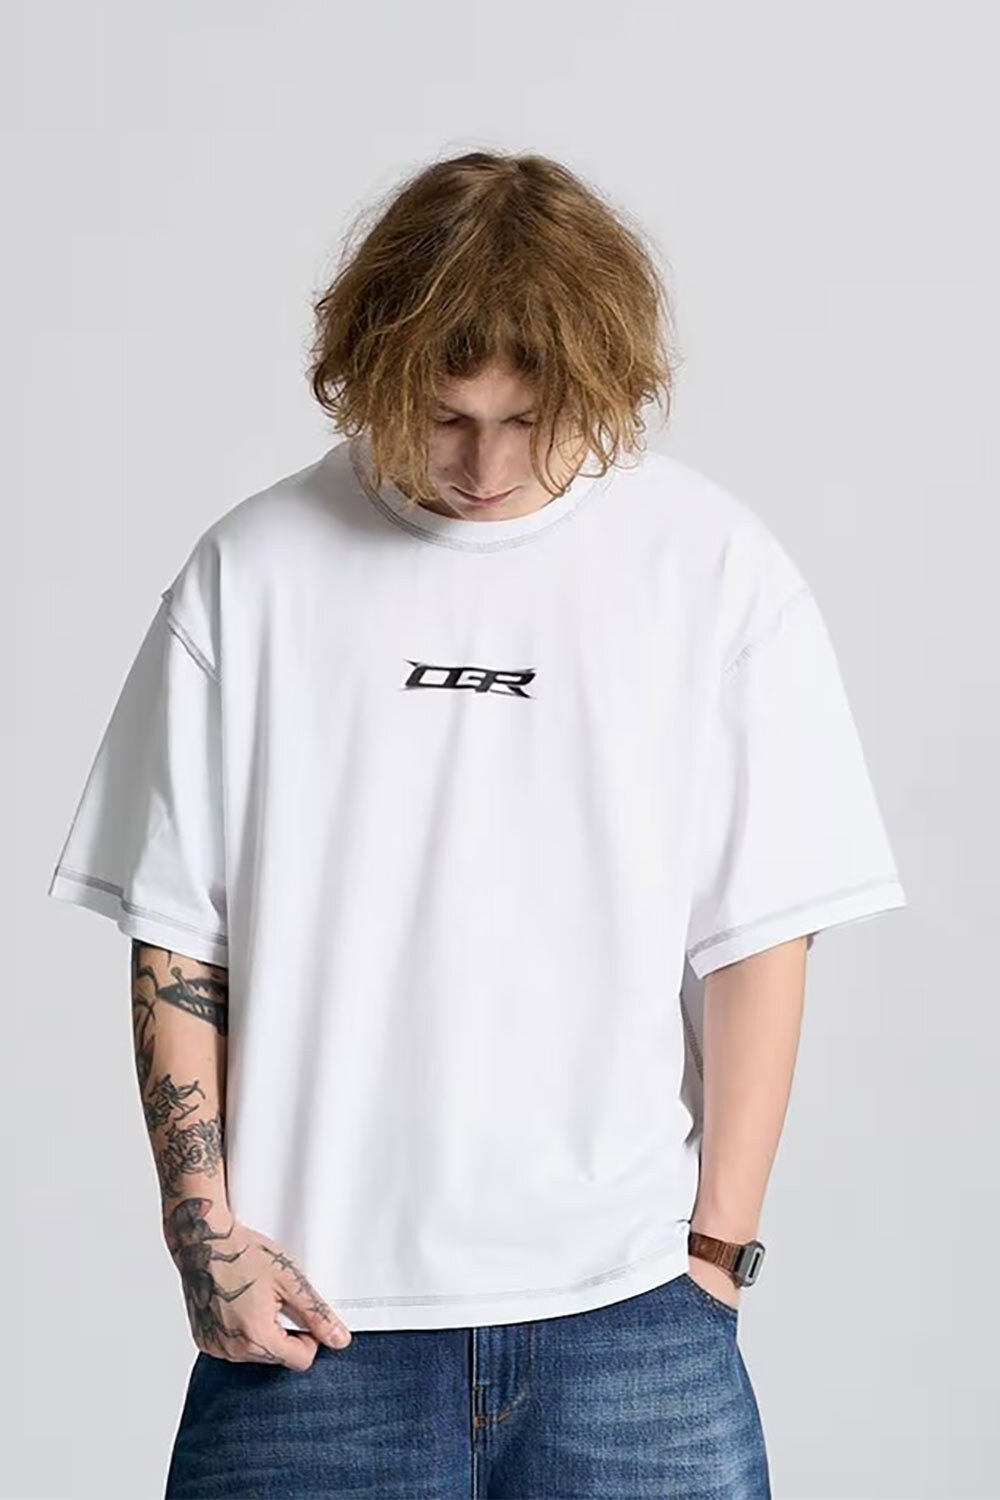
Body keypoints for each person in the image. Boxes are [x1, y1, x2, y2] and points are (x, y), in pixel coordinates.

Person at [46, 151, 907, 1500]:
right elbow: (177, 939)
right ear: (374, 374)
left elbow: (758, 937)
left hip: (631, 1322)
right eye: (446, 418)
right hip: (313, 1331)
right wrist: (201, 1237)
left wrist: (714, 1257)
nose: (487, 466)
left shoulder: (712, 570)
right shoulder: (254, 572)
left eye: (531, 419)